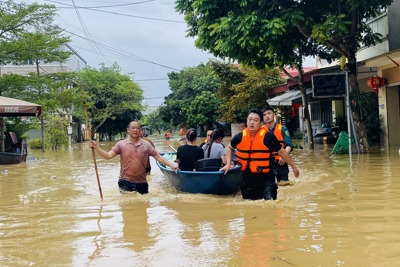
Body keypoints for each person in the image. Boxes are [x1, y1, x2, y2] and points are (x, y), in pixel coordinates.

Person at [221, 108, 300, 200]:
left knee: (270, 204)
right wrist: (228, 163)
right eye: (250, 119)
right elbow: (229, 148)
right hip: (247, 179)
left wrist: (294, 167)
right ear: (246, 121)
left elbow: (282, 152)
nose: (252, 122)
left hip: (266, 179)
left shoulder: (268, 137)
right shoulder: (240, 137)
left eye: (255, 120)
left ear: (261, 123)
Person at [89, 121, 178, 194]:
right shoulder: (121, 144)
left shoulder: (146, 145)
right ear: (128, 130)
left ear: (140, 131)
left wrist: (171, 165)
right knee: (127, 209)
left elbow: (158, 157)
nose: (135, 130)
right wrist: (97, 147)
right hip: (125, 182)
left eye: (137, 128)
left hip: (142, 182)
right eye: (133, 128)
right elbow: (108, 156)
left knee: (143, 210)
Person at [262, 106, 294, 185]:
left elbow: (289, 145)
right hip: (267, 164)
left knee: (284, 186)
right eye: (264, 115)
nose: (267, 116)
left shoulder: (282, 129)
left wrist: (284, 156)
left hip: (281, 162)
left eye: (269, 113)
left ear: (274, 115)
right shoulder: (261, 131)